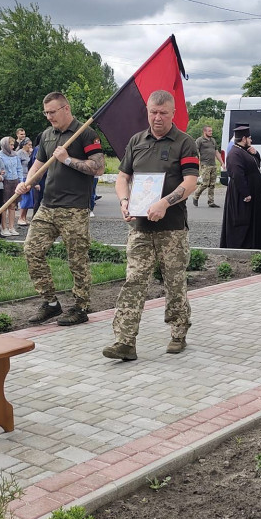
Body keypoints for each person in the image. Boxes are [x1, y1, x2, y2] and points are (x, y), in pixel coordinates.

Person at [104, 90, 199, 360]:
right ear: (147, 111)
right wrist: (124, 201)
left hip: (172, 228)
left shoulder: (185, 142)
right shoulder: (137, 141)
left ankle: (178, 332)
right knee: (134, 281)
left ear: (173, 113)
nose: (157, 118)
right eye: (153, 112)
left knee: (174, 282)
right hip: (141, 228)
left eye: (163, 113)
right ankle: (124, 341)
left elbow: (190, 182)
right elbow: (123, 177)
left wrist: (164, 203)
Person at [18, 92, 105, 326]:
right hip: (48, 205)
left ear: (66, 108)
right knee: (31, 250)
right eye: (46, 113)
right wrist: (26, 183)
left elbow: (98, 168)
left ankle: (80, 307)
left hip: (74, 208)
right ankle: (50, 303)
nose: (49, 117)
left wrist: (67, 159)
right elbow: (38, 166)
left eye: (53, 112)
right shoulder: (46, 135)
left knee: (77, 259)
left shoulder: (85, 133)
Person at [220, 126, 261, 250]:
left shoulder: (245, 150)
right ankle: (242, 246)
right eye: (249, 138)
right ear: (243, 138)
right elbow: (237, 175)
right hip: (242, 195)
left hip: (253, 191)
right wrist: (245, 193)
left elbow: (255, 165)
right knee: (243, 221)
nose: (251, 140)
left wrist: (256, 154)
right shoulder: (234, 153)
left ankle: (257, 244)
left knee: (254, 220)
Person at [0, 137, 24, 236]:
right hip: (5, 181)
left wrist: (21, 181)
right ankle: (4, 228)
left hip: (15, 181)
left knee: (13, 205)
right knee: (4, 205)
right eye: (10, 145)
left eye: (13, 145)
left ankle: (12, 227)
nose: (12, 147)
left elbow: (19, 168)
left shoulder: (15, 155)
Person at [191, 126, 223, 208]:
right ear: (204, 132)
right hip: (205, 164)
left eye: (211, 131)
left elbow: (216, 152)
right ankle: (196, 195)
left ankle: (211, 202)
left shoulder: (213, 140)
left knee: (212, 184)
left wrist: (222, 162)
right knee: (205, 183)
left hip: (213, 164)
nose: (211, 132)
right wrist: (196, 162)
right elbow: (195, 152)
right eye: (209, 131)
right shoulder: (200, 140)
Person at [17, 138, 36, 226]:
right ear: (24, 145)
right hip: (23, 176)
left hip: (29, 176)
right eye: (29, 145)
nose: (30, 147)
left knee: (29, 199)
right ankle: (21, 217)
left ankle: (24, 217)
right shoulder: (19, 153)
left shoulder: (31, 153)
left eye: (31, 145)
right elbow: (18, 165)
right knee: (25, 198)